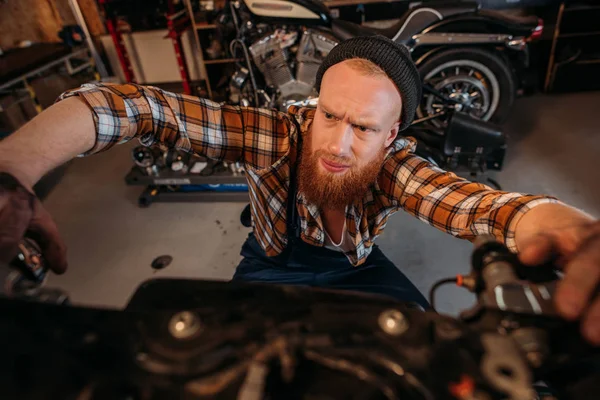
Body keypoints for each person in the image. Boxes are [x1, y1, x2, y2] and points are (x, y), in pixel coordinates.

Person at [0, 36, 598, 342]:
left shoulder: (397, 168)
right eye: (328, 116)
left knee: (423, 344)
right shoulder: (275, 134)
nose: (335, 144)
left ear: (392, 135)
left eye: (362, 128)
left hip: (360, 272)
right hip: (268, 266)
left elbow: (475, 205)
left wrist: (552, 220)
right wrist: (12, 173)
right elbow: (130, 107)